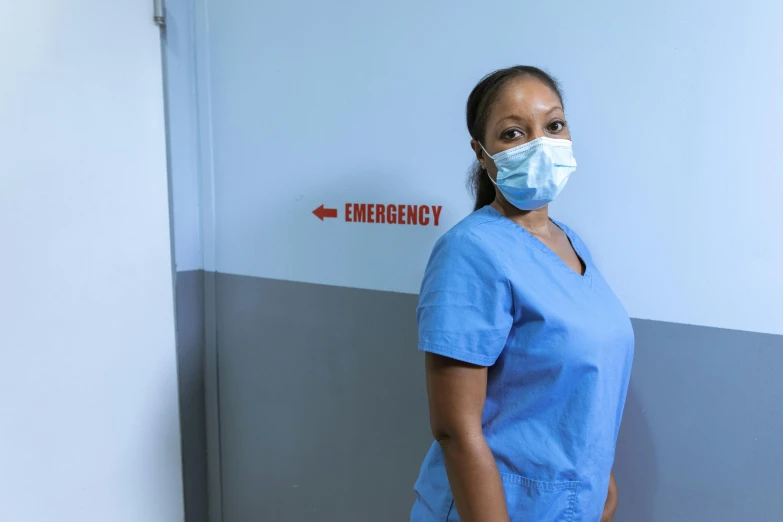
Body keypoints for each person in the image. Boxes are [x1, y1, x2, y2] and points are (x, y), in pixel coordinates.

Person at [410, 66, 634, 522]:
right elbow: (455, 429)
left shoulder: (571, 243)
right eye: (513, 133)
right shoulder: (470, 252)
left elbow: (582, 386)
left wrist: (600, 486)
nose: (541, 145)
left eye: (553, 126)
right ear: (481, 152)